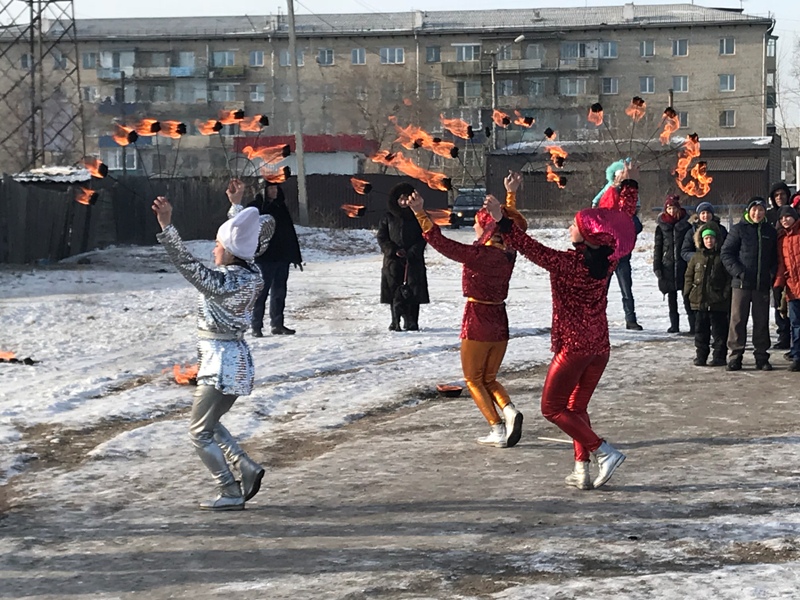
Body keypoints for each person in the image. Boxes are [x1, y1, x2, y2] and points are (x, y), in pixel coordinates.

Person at [484, 167, 638, 490]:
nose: (570, 227)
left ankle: (602, 451)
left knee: (551, 408)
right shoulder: (607, 260)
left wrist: (501, 219)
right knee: (576, 407)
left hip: (574, 348)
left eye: (575, 225)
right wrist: (627, 185)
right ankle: (582, 469)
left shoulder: (569, 265)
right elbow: (621, 219)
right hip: (600, 348)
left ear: (587, 236)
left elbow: (529, 247)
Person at [152, 180, 272, 511]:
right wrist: (236, 207)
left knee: (198, 432)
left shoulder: (221, 282)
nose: (213, 250)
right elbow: (247, 243)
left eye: (217, 245)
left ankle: (230, 490)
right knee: (210, 423)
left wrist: (166, 225)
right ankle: (245, 466)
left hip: (220, 365)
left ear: (229, 251)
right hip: (235, 362)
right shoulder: (253, 274)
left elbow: (186, 264)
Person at [407, 172, 528, 447]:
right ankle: (509, 410)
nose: (474, 229)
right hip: (500, 319)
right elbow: (512, 227)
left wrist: (419, 213)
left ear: (486, 229)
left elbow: (440, 242)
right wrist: (510, 195)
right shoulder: (510, 252)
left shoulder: (479, 255)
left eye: (477, 224)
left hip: (477, 320)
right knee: (490, 377)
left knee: (473, 378)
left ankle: (497, 427)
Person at [721, 197, 778, 371]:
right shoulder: (739, 229)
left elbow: (775, 257)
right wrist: (739, 272)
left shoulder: (770, 231)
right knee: (738, 320)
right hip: (741, 283)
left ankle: (761, 356)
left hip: (761, 284)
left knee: (761, 321)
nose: (757, 213)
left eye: (761, 210)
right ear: (748, 211)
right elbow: (727, 254)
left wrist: (771, 273)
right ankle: (736, 355)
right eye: (754, 210)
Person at [593, 159, 643, 331]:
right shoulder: (609, 194)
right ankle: (597, 320)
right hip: (608, 253)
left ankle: (630, 319)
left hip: (622, 255)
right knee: (602, 290)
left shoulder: (626, 201)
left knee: (626, 290)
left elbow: (632, 218)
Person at [248, 183, 303, 336]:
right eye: (271, 188)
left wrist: (294, 256)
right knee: (261, 293)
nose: (274, 191)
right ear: (263, 190)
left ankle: (277, 324)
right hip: (264, 258)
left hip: (282, 257)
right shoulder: (255, 208)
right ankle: (256, 326)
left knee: (279, 292)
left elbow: (289, 233)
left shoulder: (280, 207)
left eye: (276, 188)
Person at [377, 182, 430, 331]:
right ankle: (395, 321)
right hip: (393, 262)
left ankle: (412, 321)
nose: (404, 202)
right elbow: (382, 237)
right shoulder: (388, 217)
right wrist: (393, 250)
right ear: (396, 200)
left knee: (413, 290)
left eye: (407, 199)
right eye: (401, 199)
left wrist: (413, 251)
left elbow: (425, 236)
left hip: (413, 261)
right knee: (394, 291)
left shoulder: (418, 216)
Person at [683, 221, 730, 367]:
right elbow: (688, 276)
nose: (709, 241)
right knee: (700, 332)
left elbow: (728, 279)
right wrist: (688, 293)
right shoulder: (696, 257)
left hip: (718, 303)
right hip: (699, 301)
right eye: (706, 238)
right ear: (701, 240)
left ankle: (719, 356)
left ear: (717, 239)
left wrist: (724, 295)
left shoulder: (722, 257)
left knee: (719, 332)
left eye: (712, 238)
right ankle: (701, 356)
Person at [653, 195, 693, 334]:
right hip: (668, 265)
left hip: (684, 265)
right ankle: (674, 325)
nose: (671, 211)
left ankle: (692, 325)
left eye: (673, 208)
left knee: (687, 297)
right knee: (671, 298)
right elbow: (658, 247)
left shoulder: (686, 226)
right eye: (668, 208)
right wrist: (657, 266)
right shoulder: (662, 227)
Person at [774, 204, 800, 371]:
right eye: (782, 218)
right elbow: (782, 265)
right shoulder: (781, 239)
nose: (785, 220)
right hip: (792, 287)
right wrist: (778, 284)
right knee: (796, 323)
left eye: (787, 216)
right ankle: (797, 355)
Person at [766, 183, 792, 349]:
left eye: (782, 194)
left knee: (792, 302)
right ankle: (783, 336)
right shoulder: (768, 215)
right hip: (774, 265)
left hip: (791, 263)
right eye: (776, 195)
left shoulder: (794, 213)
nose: (780, 197)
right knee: (778, 301)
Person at [680, 201, 728, 266]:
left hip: (718, 266)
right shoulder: (692, 232)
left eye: (708, 213)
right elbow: (685, 252)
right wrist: (698, 257)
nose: (706, 215)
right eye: (703, 213)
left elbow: (728, 248)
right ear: (699, 215)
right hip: (698, 267)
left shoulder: (721, 230)